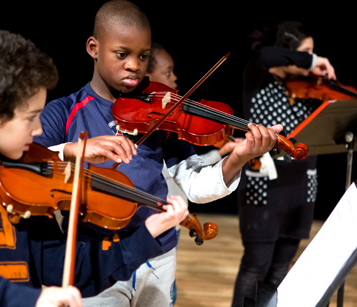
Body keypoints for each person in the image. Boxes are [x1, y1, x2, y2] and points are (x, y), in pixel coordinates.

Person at [0, 28, 190, 307]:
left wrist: (147, 234)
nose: (38, 130)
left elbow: (67, 268)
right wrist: (29, 300)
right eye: (31, 117)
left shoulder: (24, 173)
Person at [35, 1, 283, 306]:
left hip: (158, 253)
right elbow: (27, 164)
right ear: (93, 48)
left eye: (143, 56)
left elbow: (194, 185)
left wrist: (237, 158)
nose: (134, 65)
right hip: (96, 254)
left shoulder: (162, 115)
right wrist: (76, 150)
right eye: (122, 54)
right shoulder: (64, 111)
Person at [232, 20, 336, 306]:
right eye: (305, 54)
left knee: (281, 269)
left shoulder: (308, 88)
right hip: (265, 189)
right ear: (288, 54)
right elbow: (265, 56)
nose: (310, 63)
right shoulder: (259, 74)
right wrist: (315, 60)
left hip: (302, 190)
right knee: (256, 267)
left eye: (313, 53)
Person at [146, 41, 243, 305]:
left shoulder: (172, 128)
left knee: (168, 292)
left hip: (165, 235)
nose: (175, 79)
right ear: (145, 76)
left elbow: (194, 176)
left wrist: (238, 157)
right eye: (168, 73)